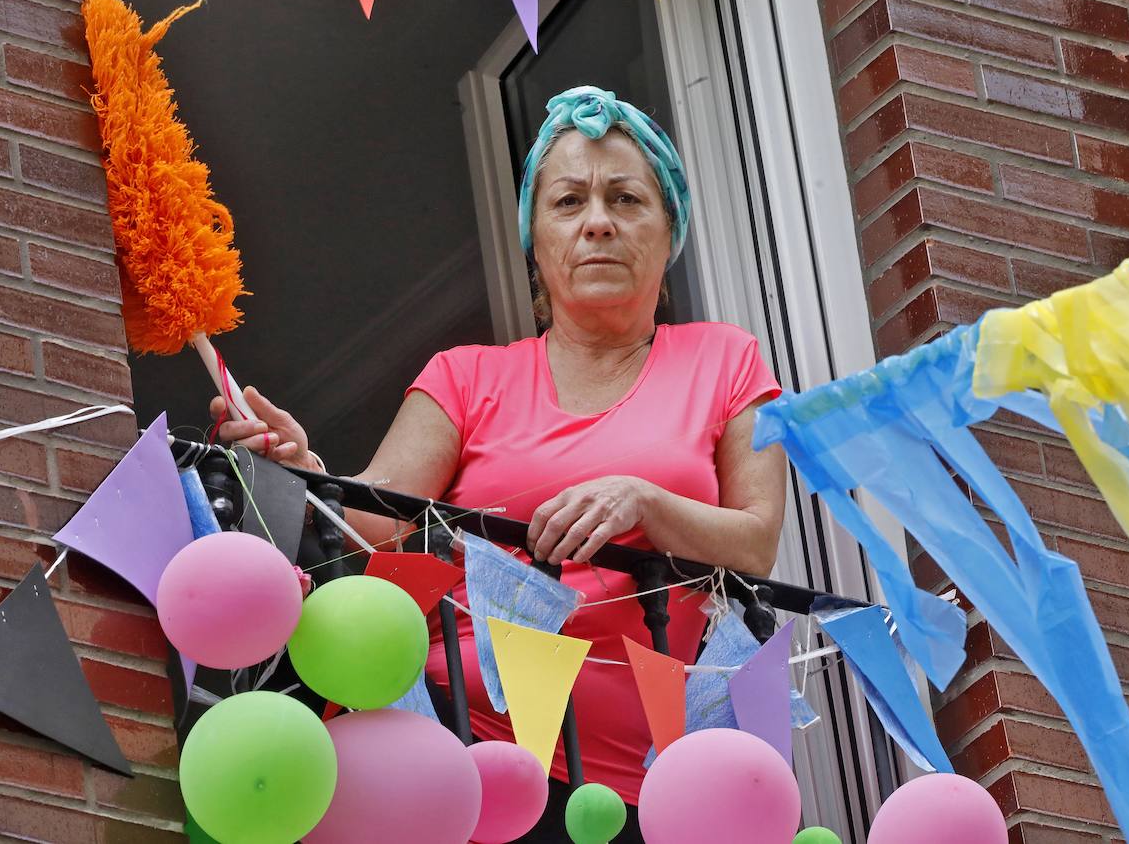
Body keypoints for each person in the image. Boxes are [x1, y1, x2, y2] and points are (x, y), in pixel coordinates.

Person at [212, 86, 787, 841]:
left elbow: (757, 541)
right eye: (569, 202)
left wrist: (645, 502)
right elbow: (370, 531)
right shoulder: (464, 377)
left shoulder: (727, 359)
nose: (598, 222)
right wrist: (302, 464)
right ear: (535, 244)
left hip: (662, 789)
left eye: (626, 198)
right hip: (468, 752)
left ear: (669, 227)